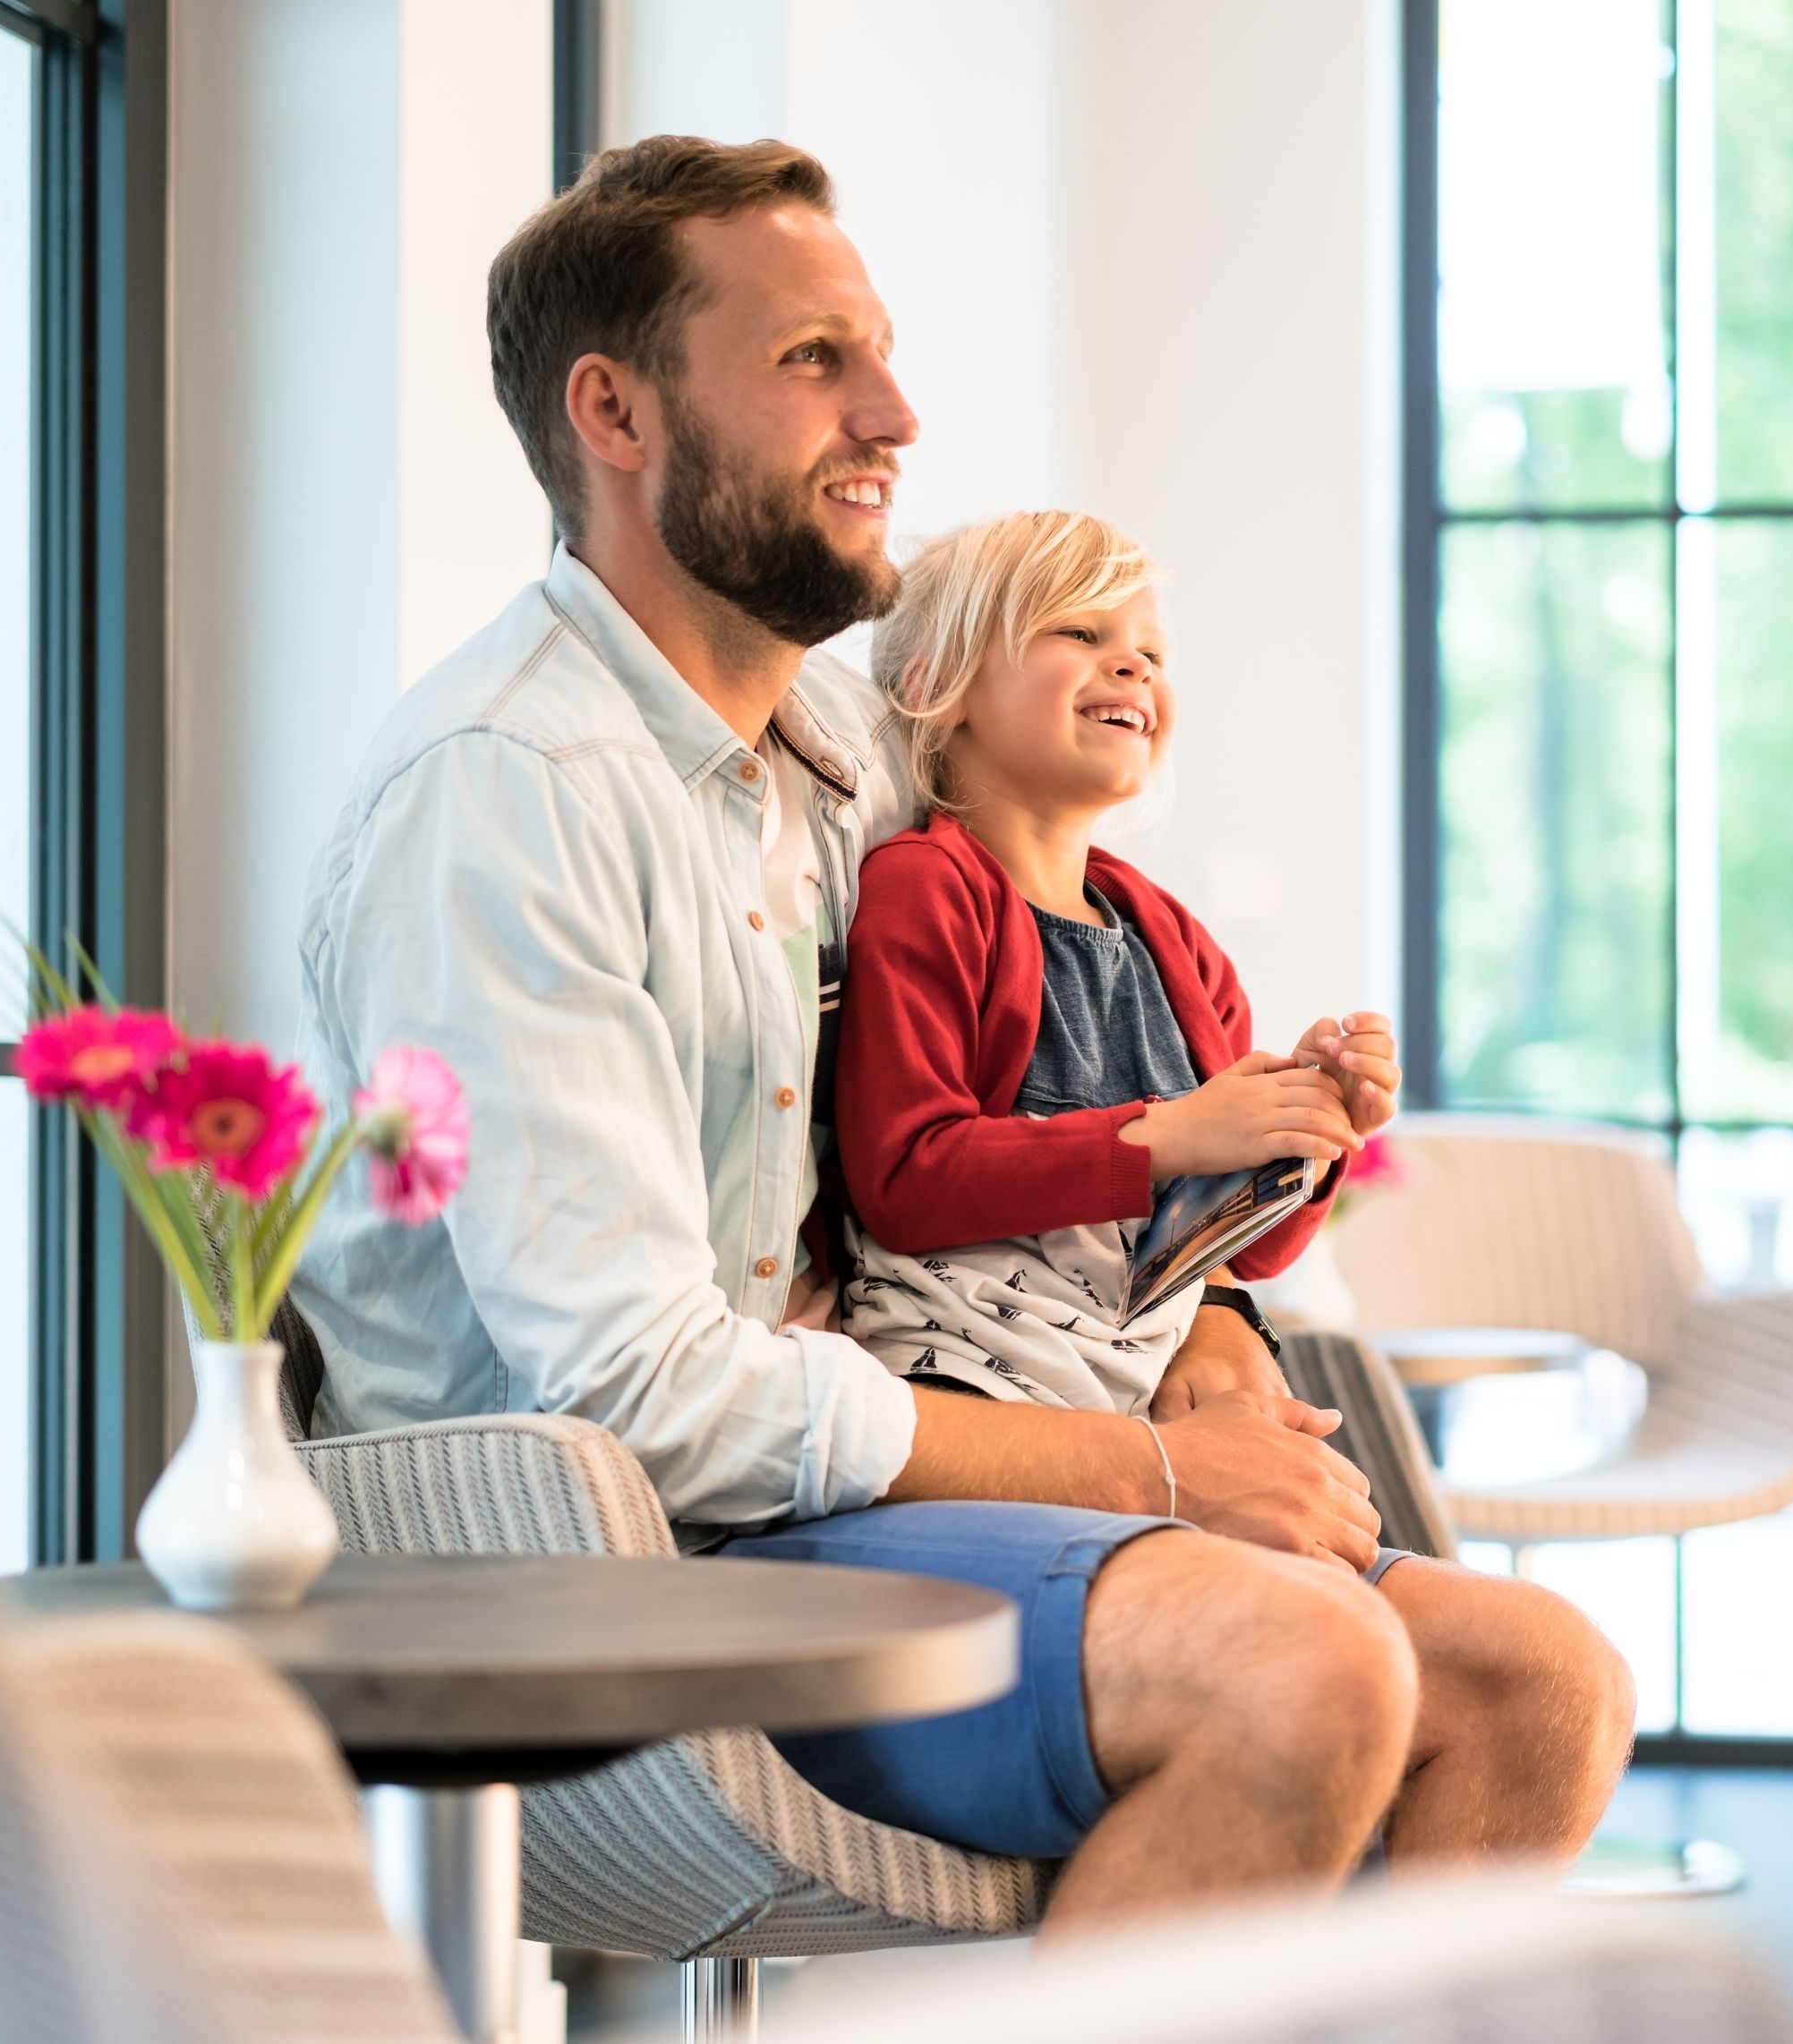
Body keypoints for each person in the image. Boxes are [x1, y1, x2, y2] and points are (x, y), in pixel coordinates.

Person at [288, 134, 1633, 1928]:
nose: (894, 414)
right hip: (606, 1575)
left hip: (877, 1495)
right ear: (610, 411)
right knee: (1301, 1666)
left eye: (883, 353)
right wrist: (1148, 1466)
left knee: (1537, 1682)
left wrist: (1207, 1333)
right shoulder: (508, 793)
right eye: (811, 360)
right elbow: (638, 1396)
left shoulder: (859, 762)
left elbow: (1045, 1107)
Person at [833, 509, 1386, 1422]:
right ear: (943, 687)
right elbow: (905, 1180)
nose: (1133, 665)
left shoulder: (1181, 946)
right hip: (977, 1398)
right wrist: (1170, 1132)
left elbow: (1241, 1254)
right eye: (1080, 632)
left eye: (1151, 653)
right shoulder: (925, 889)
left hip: (1140, 1394)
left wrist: (1310, 1139)